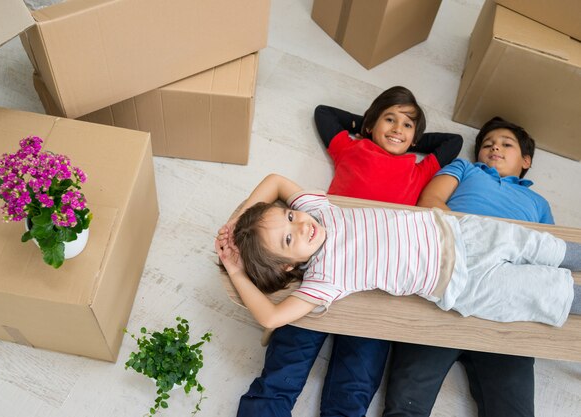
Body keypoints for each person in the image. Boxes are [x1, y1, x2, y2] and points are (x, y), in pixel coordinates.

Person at [234, 86, 463, 417]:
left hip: (377, 281)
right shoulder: (352, 149)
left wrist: (409, 140)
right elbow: (324, 112)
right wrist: (369, 127)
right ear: (370, 124)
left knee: (353, 389)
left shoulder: (418, 168)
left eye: (408, 124)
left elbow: (452, 143)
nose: (398, 128)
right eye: (390, 119)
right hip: (322, 260)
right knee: (282, 372)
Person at [215, 173, 581, 330]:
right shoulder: (323, 279)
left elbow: (275, 180)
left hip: (464, 232)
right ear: (287, 266)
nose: (301, 226)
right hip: (464, 283)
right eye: (289, 240)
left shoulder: (321, 212)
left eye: (291, 215)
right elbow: (271, 318)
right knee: (547, 293)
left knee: (543, 246)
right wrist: (235, 268)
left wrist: (237, 221)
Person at [382, 116, 560, 417]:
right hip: (446, 288)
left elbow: (547, 255)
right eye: (487, 144)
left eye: (506, 144)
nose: (494, 148)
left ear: (526, 160)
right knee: (405, 406)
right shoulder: (466, 169)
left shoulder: (538, 202)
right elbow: (430, 201)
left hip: (505, 309)